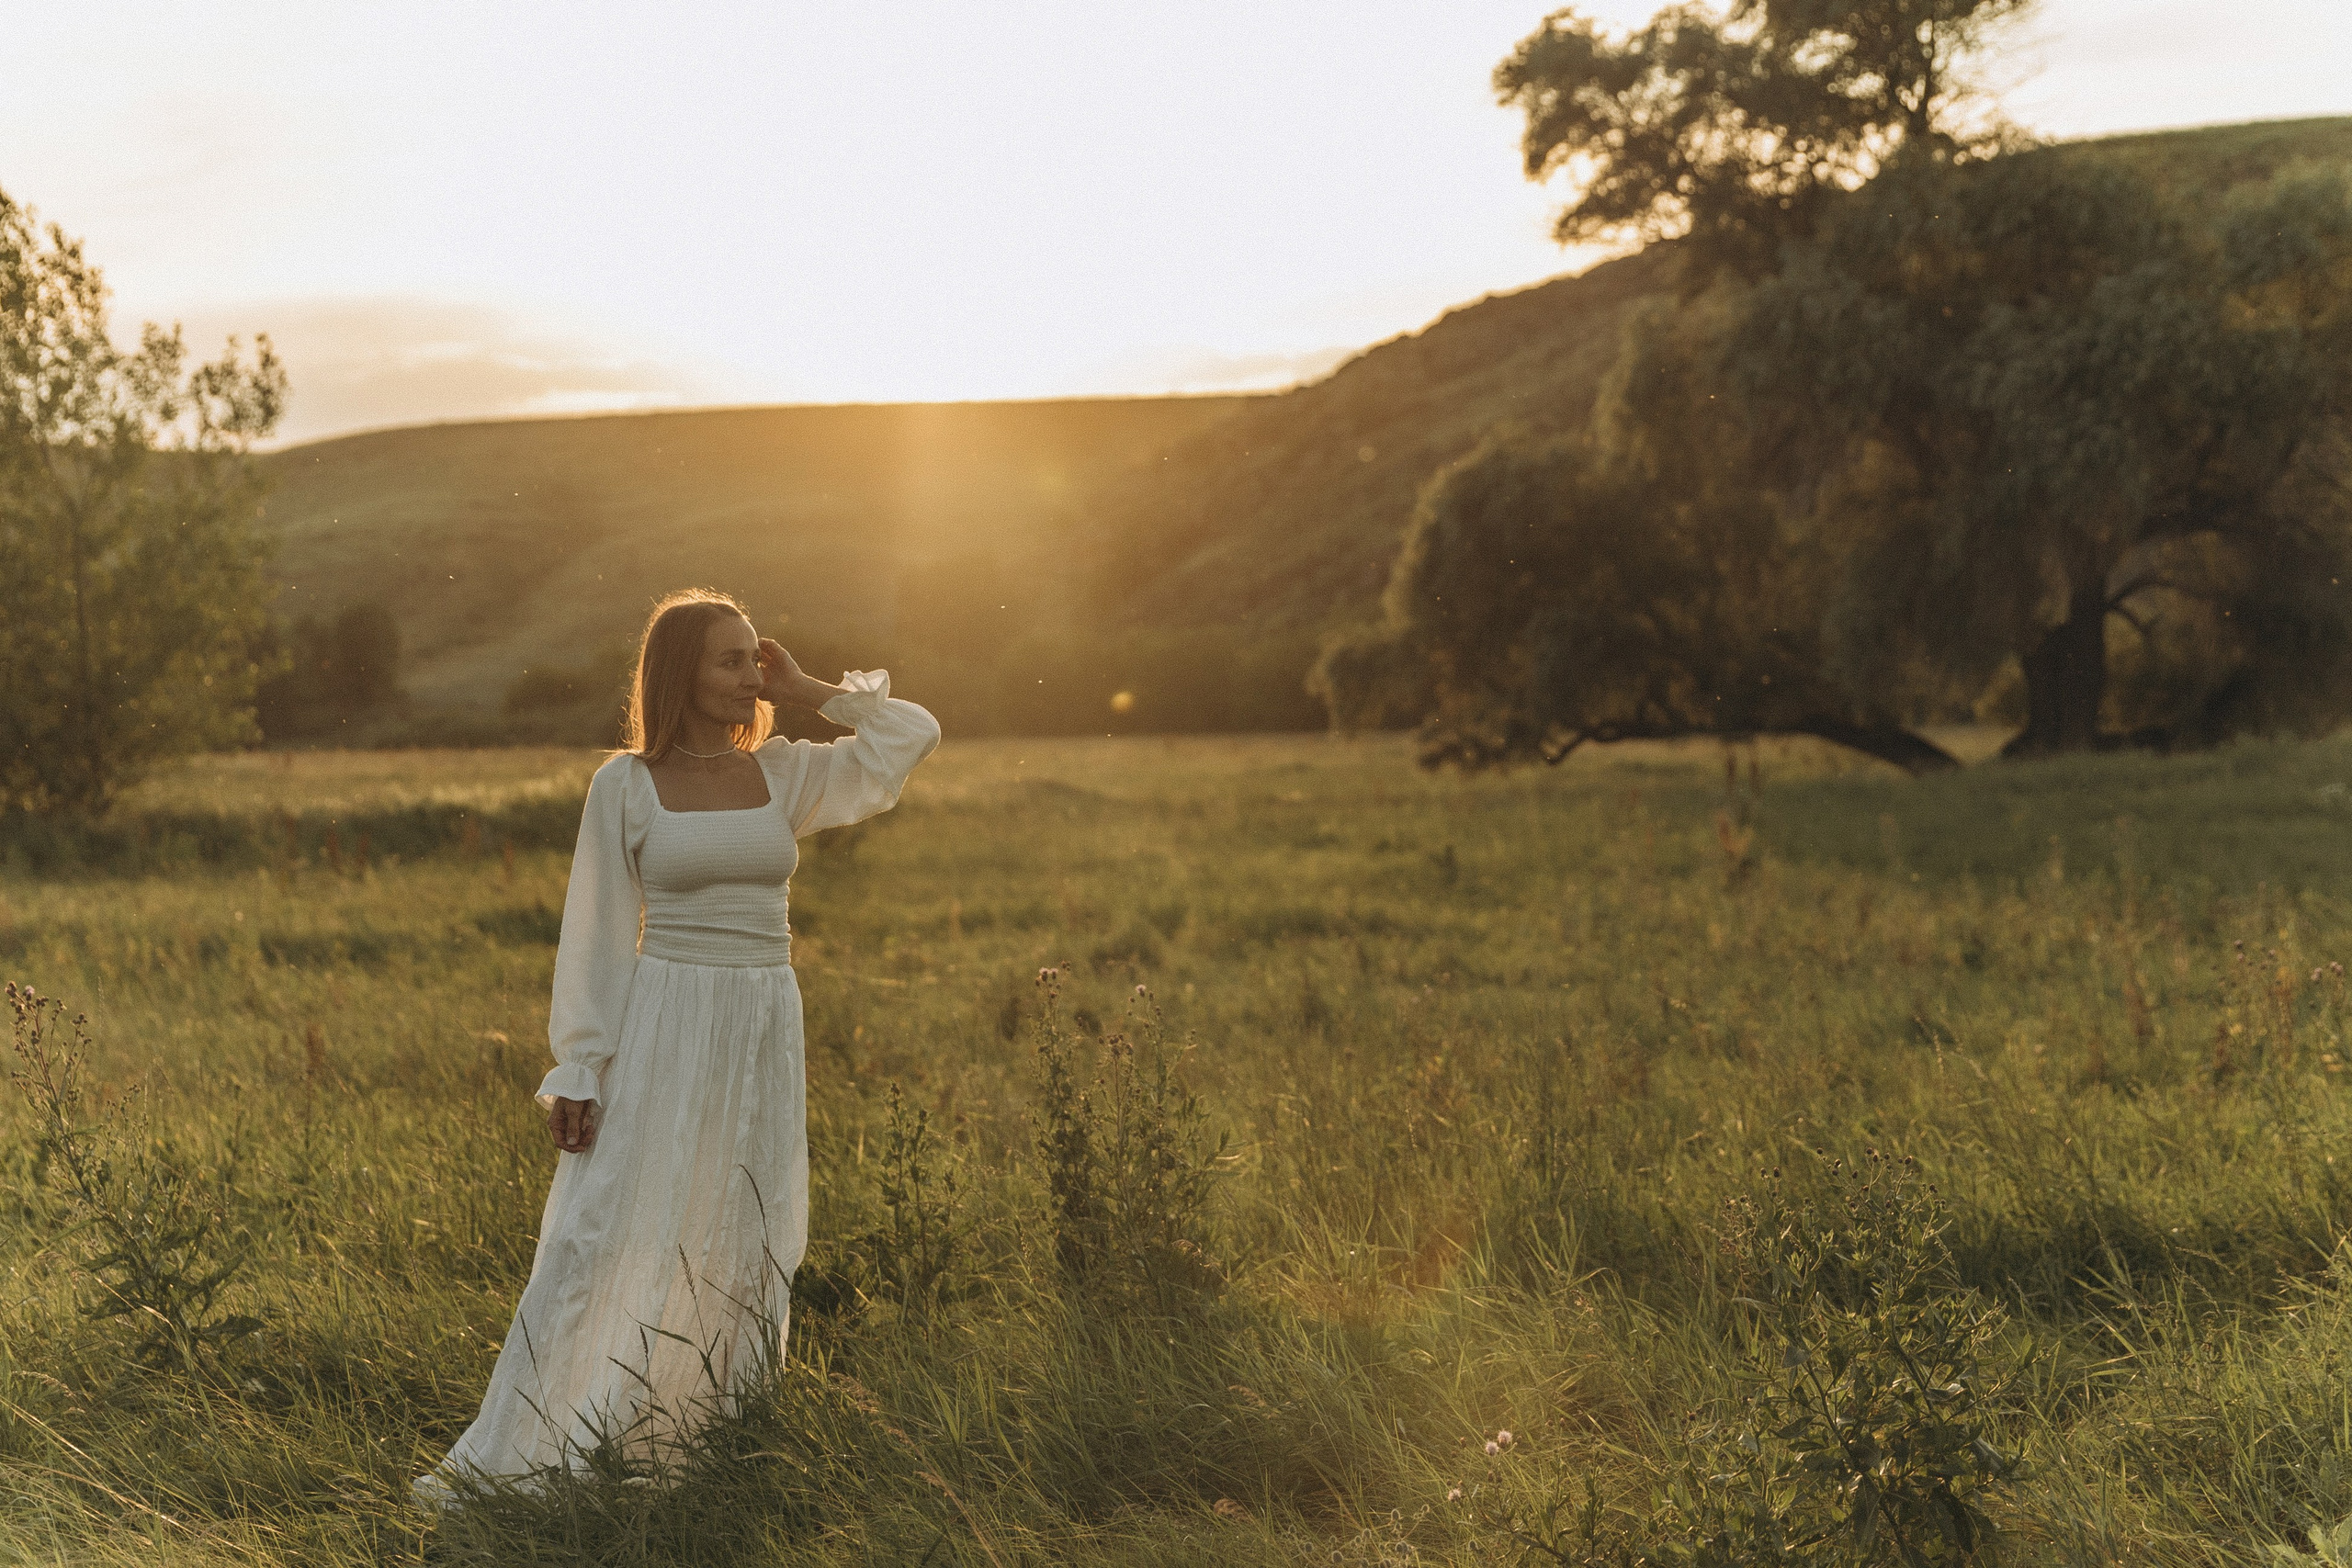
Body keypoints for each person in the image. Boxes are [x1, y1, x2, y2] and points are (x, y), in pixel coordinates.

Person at [414, 588, 939, 1502]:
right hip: (663, 1017)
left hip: (762, 1022)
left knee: (746, 1225)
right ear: (679, 675)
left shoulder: (782, 774)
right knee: (612, 1223)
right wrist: (580, 1066)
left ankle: (708, 1444)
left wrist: (813, 686)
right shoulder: (625, 784)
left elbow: (909, 736)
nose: (749, 675)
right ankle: (561, 1438)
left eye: (754, 658)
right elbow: (597, 933)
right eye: (729, 660)